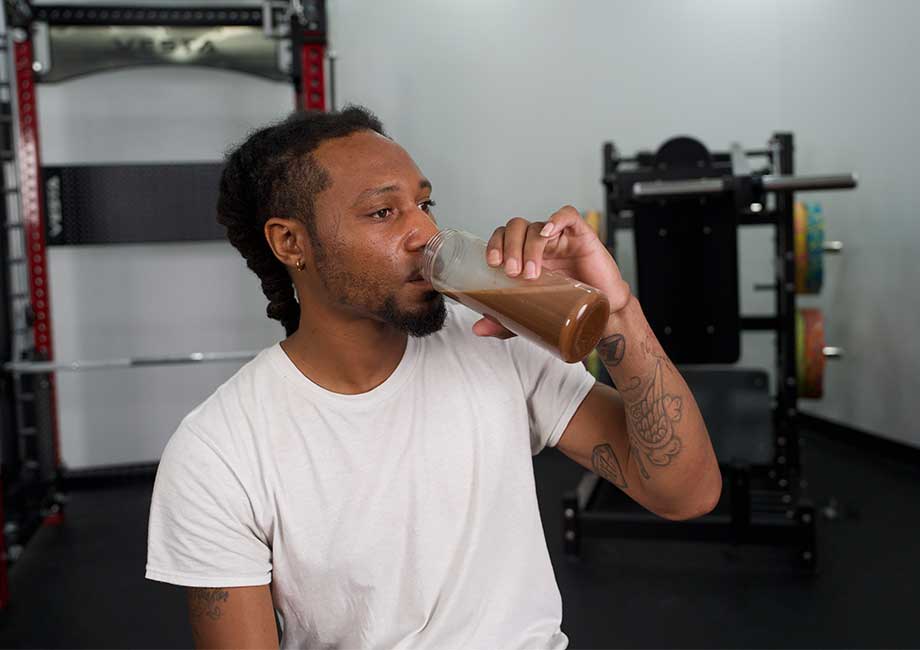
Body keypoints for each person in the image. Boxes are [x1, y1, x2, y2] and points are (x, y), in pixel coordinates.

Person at [145, 106, 721, 649]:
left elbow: (685, 493)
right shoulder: (217, 451)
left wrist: (618, 311)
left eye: (426, 204)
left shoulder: (492, 344)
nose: (426, 233)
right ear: (291, 242)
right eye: (383, 212)